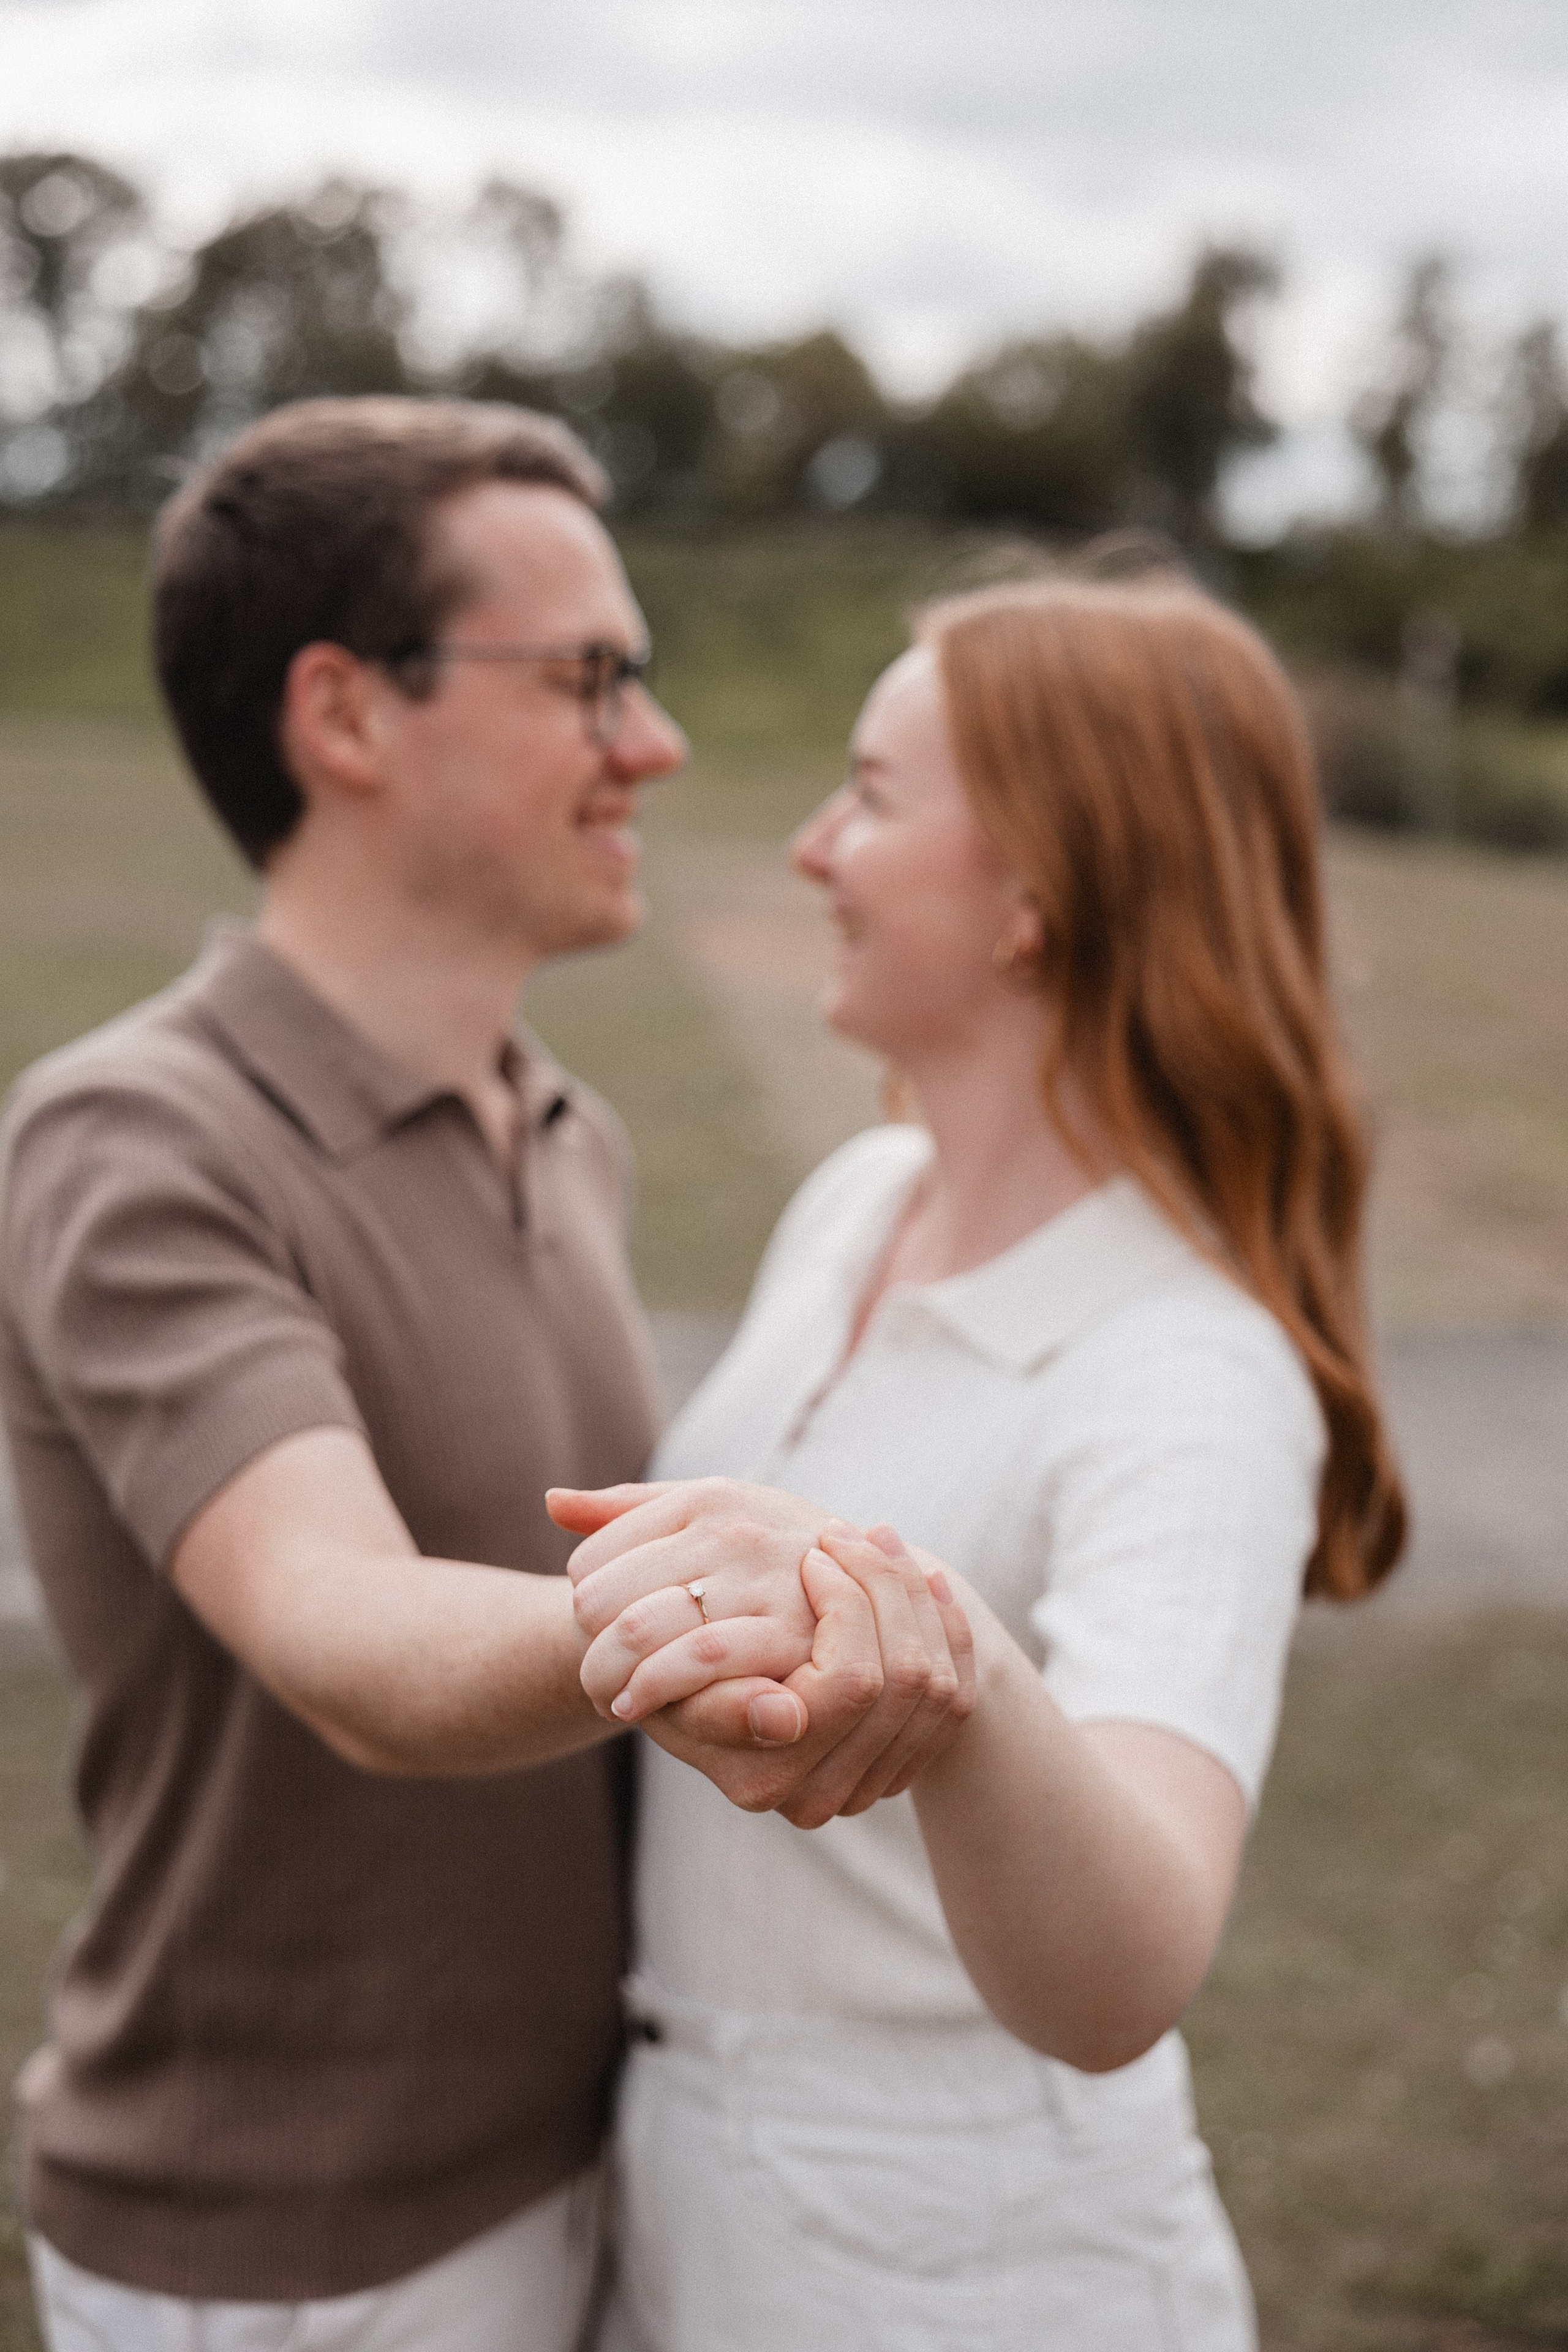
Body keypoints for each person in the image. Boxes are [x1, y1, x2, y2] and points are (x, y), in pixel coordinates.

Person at [0, 396, 965, 2352]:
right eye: (593, 679)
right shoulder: (135, 1140)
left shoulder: (569, 1130)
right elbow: (345, 1632)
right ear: (347, 717)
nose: (657, 745)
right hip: (288, 2254)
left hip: (592, 2161)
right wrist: (706, 1607)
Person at [551, 564, 1409, 2351]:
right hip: (691, 2211)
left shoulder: (1191, 1371)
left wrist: (959, 1679)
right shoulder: (862, 1195)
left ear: (1035, 893)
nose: (807, 847)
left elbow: (1130, 1975)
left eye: (868, 793)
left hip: (962, 2278)